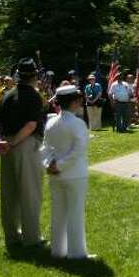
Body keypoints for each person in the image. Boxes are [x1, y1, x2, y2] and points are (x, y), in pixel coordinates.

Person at [0, 58, 46, 248]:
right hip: (24, 144)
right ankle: (32, 239)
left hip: (7, 144)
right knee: (30, 193)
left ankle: (12, 237)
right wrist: (13, 143)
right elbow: (31, 125)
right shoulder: (33, 95)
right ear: (34, 76)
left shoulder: (8, 95)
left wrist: (1, 140)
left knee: (9, 194)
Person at [42, 85, 92, 259]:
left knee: (58, 212)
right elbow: (79, 149)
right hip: (74, 174)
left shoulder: (50, 122)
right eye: (78, 99)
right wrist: (59, 165)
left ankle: (58, 250)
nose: (80, 102)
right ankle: (76, 253)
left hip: (56, 175)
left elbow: (45, 148)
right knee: (75, 213)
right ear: (74, 101)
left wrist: (49, 164)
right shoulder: (78, 123)